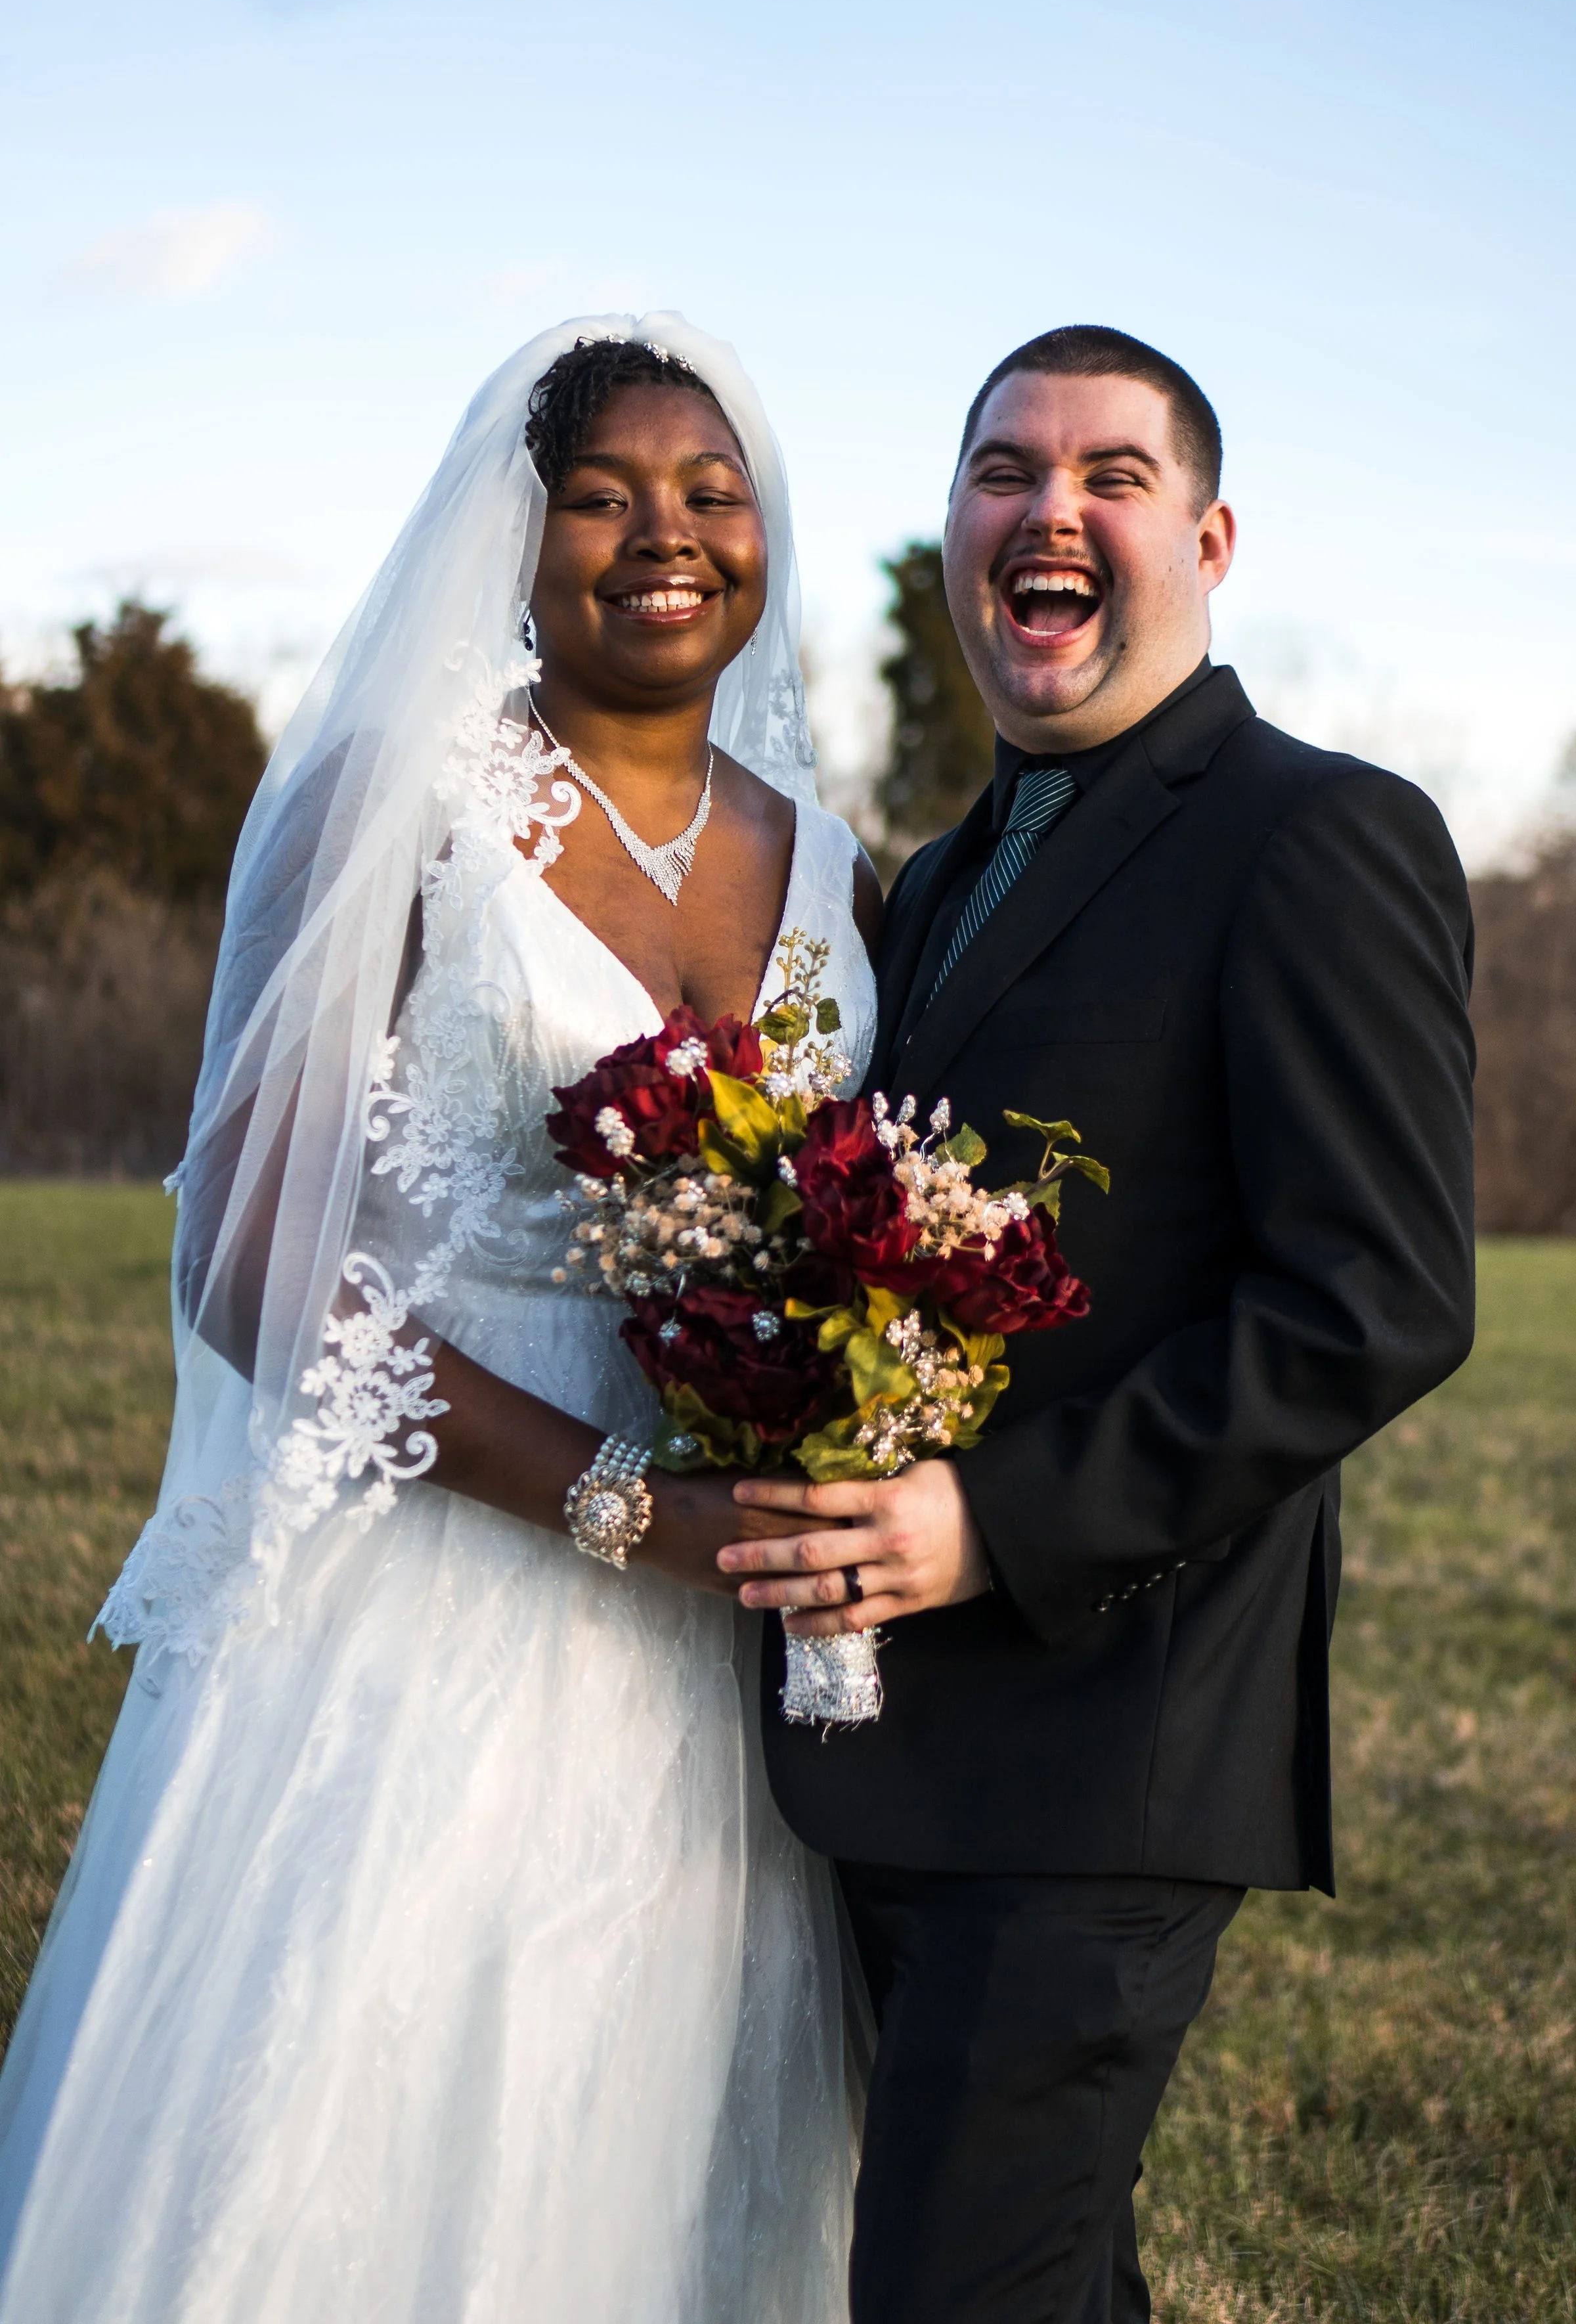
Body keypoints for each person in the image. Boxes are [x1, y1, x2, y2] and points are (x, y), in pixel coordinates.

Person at [0, 317, 881, 2323]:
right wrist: (609, 1505)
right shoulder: (392, 811)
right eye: (601, 496)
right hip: (428, 1578)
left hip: (728, 1618)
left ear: (769, 535)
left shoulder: (842, 864)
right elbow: (245, 1249)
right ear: (513, 535)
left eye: (711, 492)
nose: (665, 537)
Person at [728, 325, 1476, 2322]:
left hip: (1122, 1738)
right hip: (917, 1741)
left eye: (1109, 476)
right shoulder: (947, 871)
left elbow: (1379, 1299)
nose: (1049, 510)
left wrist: (993, 1521)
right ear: (957, 534)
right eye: (1002, 473)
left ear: (1207, 538)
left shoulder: (1316, 833)